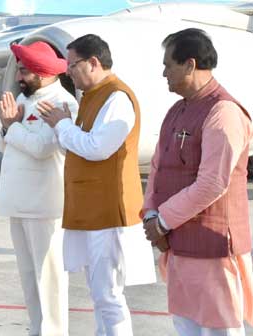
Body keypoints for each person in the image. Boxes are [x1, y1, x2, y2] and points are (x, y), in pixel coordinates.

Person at [38, 34, 156, 336]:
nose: (68, 72)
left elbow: (97, 148)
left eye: (73, 64)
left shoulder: (117, 97)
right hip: (90, 210)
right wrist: (60, 127)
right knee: (99, 293)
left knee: (109, 295)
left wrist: (62, 125)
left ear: (93, 62)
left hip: (107, 211)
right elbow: (77, 147)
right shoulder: (92, 97)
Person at [142, 28, 253, 335]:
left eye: (168, 65)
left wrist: (163, 219)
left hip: (212, 247)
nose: (163, 72)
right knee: (185, 324)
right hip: (178, 244)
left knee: (220, 328)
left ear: (190, 64)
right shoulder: (177, 110)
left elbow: (213, 183)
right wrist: (151, 214)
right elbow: (157, 169)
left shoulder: (223, 112)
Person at [0, 41, 79, 336]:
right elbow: (2, 144)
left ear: (42, 73)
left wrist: (12, 127)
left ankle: (54, 332)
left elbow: (43, 147)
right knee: (29, 277)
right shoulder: (25, 97)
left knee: (49, 278)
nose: (19, 77)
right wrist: (8, 128)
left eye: (24, 71)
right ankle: (37, 330)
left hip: (44, 204)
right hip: (18, 201)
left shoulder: (60, 102)